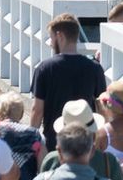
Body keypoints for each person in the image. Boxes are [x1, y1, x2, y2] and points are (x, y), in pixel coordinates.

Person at [29, 13, 107, 149]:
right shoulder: (95, 68)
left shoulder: (44, 68)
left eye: (52, 38)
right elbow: (102, 108)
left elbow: (37, 110)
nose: (51, 43)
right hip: (87, 143)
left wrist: (30, 139)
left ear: (60, 36)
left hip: (55, 142)